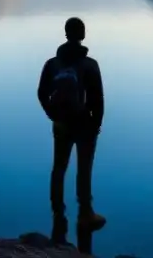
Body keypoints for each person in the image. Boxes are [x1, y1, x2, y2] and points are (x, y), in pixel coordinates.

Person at [37, 16, 106, 241]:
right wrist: (96, 124)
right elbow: (98, 99)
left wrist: (52, 114)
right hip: (84, 124)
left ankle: (58, 215)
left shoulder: (52, 64)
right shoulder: (89, 64)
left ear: (66, 34)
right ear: (82, 34)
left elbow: (41, 93)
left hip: (61, 123)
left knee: (59, 168)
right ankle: (85, 214)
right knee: (83, 169)